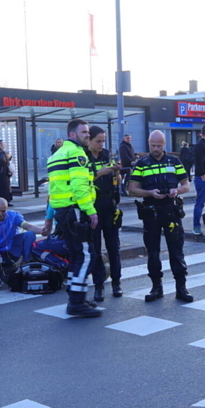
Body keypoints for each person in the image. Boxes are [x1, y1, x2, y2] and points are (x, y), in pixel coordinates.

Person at [128, 130, 193, 303]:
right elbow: (131, 189)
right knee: (153, 252)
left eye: (158, 145)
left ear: (164, 145)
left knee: (176, 251)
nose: (155, 149)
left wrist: (176, 190)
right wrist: (149, 192)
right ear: (149, 143)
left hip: (171, 209)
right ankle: (157, 287)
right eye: (152, 145)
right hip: (151, 210)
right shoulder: (142, 163)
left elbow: (186, 185)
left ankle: (181, 288)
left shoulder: (174, 161)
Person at [47, 118, 102, 317]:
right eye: (84, 132)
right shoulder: (77, 153)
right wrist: (90, 210)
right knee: (87, 255)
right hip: (75, 209)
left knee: (76, 255)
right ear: (73, 135)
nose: (87, 135)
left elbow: (54, 190)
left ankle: (75, 295)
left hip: (63, 211)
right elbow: (80, 187)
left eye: (88, 132)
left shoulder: (56, 155)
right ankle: (76, 302)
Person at [87, 125, 124, 301]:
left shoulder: (106, 154)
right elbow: (79, 181)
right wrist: (99, 173)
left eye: (103, 141)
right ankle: (99, 285)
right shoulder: (83, 157)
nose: (101, 144)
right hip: (92, 207)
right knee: (95, 249)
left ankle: (116, 282)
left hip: (109, 205)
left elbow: (117, 180)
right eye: (98, 141)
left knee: (114, 247)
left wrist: (116, 171)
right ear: (89, 140)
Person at [0, 197, 47, 283]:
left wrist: (42, 231)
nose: (0, 214)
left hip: (11, 251)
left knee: (30, 234)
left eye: (3, 211)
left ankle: (25, 263)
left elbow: (28, 226)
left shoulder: (13, 216)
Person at [0, 139, 13, 203]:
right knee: (2, 187)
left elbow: (6, 160)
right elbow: (0, 159)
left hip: (5, 171)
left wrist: (8, 156)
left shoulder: (2, 151)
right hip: (0, 172)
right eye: (1, 144)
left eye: (3, 143)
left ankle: (7, 200)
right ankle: (1, 201)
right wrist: (5, 155)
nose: (3, 145)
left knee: (6, 186)